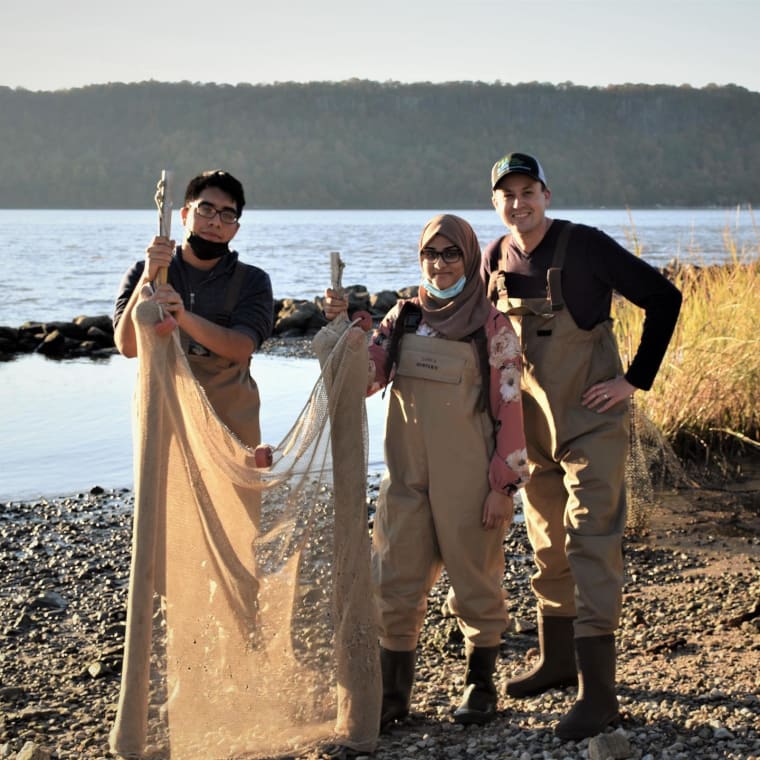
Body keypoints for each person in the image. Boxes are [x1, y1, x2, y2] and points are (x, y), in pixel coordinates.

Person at [482, 152, 682, 740]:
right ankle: (558, 660)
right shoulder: (495, 256)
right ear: (496, 202)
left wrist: (634, 380)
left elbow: (664, 299)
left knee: (591, 541)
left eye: (527, 192)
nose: (518, 204)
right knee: (546, 542)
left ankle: (599, 696)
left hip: (592, 420)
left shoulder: (586, 245)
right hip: (533, 423)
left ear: (546, 194)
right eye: (506, 195)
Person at [324, 214, 530, 727]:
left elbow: (510, 407)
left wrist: (503, 487)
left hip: (471, 481)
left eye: (450, 254)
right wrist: (345, 333)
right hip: (405, 479)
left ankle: (480, 688)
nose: (439, 265)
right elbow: (368, 378)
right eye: (430, 255)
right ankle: (394, 698)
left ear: (468, 257)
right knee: (394, 581)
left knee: (476, 583)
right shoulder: (404, 318)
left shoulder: (493, 326)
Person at [113, 169, 274, 448]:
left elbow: (241, 347)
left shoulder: (253, 281)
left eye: (227, 215)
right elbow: (127, 346)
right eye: (206, 210)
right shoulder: (146, 271)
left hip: (231, 430)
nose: (215, 222)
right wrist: (147, 278)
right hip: (165, 426)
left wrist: (182, 317)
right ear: (185, 215)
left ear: (235, 228)